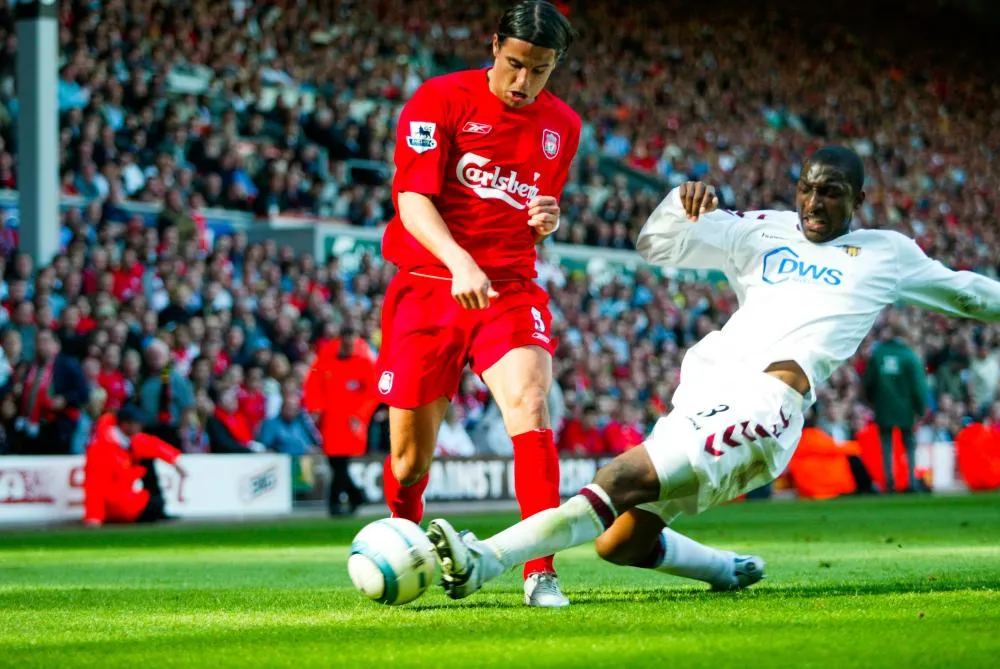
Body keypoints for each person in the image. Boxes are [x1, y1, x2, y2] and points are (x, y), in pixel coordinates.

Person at [425, 145, 1000, 602]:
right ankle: (726, 569)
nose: (814, 202)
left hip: (767, 407)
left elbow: (968, 294)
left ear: (859, 199)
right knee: (619, 543)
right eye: (807, 188)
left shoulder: (886, 252)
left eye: (831, 192)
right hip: (706, 393)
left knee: (619, 476)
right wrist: (680, 204)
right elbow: (656, 247)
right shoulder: (763, 227)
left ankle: (484, 559)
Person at [375, 0, 581, 607]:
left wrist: (547, 220)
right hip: (426, 284)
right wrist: (458, 261)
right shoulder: (438, 99)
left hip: (509, 287)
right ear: (495, 46)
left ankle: (539, 571)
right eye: (515, 64)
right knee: (409, 464)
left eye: (540, 70)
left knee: (531, 404)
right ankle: (404, 538)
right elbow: (412, 199)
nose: (524, 81)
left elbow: (535, 209)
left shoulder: (563, 126)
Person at [302, 325, 377, 516]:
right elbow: (313, 384)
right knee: (336, 462)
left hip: (351, 421)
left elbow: (372, 393)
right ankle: (354, 496)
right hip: (331, 420)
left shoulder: (365, 360)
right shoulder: (326, 358)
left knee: (339, 462)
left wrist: (360, 415)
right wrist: (316, 408)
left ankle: (337, 502)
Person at [82, 405, 186, 527]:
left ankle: (155, 510)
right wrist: (94, 517)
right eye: (137, 423)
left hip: (125, 497)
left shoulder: (125, 440)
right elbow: (94, 486)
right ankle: (153, 511)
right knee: (153, 505)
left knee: (147, 458)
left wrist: (175, 461)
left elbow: (150, 444)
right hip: (117, 506)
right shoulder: (101, 449)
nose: (141, 426)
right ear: (125, 425)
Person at [863, 322, 928, 492]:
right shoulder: (909, 356)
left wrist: (871, 401)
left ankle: (889, 482)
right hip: (906, 408)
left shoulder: (878, 354)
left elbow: (868, 382)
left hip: (883, 406)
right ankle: (911, 482)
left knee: (886, 444)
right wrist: (921, 409)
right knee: (909, 445)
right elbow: (918, 386)